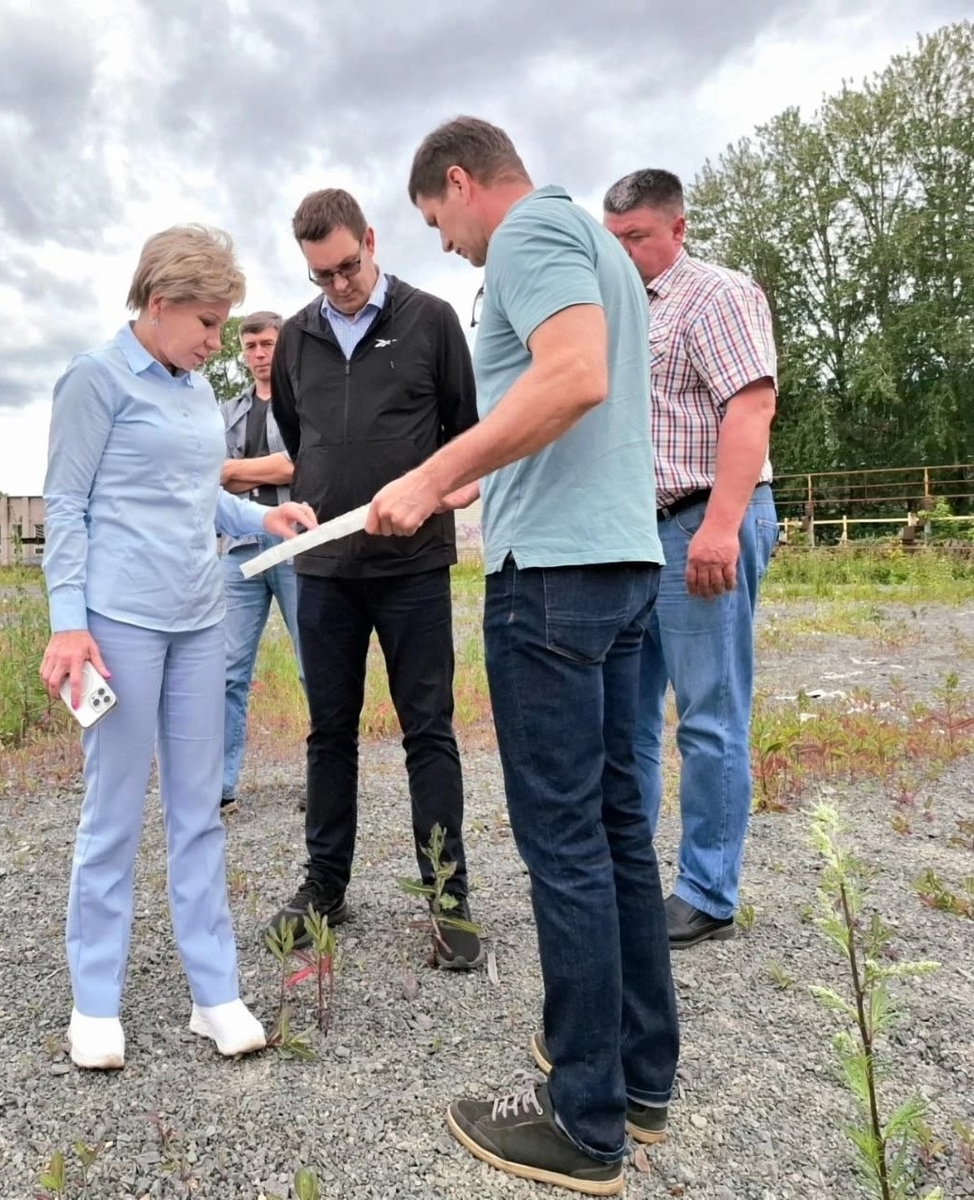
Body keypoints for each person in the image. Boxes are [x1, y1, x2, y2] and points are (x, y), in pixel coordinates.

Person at [370, 116, 678, 1195]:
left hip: (550, 582)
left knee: (566, 846)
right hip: (618, 561)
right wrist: (477, 475)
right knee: (615, 830)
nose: (444, 244)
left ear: (460, 182)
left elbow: (574, 377)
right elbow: (565, 408)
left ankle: (582, 1122)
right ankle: (637, 1080)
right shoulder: (597, 245)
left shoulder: (527, 237)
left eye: (435, 220)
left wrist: (425, 476)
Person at [39, 225, 317, 1070]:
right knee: (114, 812)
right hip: (119, 624)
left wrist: (262, 516)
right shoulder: (94, 379)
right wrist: (68, 620)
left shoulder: (196, 390)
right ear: (158, 304)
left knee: (198, 812)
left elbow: (197, 497)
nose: (215, 341)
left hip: (200, 619)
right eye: (206, 322)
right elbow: (65, 505)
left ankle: (214, 993)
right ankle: (94, 1001)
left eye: (223, 324)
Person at [266, 187, 484, 969]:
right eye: (321, 275)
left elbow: (466, 436)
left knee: (428, 729)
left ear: (369, 240)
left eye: (347, 267)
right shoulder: (295, 339)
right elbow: (302, 442)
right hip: (325, 570)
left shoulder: (431, 321)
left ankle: (448, 897)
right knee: (329, 731)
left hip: (412, 567)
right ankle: (324, 885)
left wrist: (446, 492)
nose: (339, 285)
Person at [603, 169, 779, 950]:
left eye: (637, 236)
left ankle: (707, 890)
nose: (624, 251)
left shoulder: (716, 295)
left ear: (676, 228)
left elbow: (751, 403)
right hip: (636, 535)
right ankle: (628, 874)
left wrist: (720, 526)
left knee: (707, 715)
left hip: (702, 519)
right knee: (628, 715)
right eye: (614, 239)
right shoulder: (620, 310)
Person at [218, 310, 303, 816]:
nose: (259, 354)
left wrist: (235, 469)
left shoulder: (303, 399)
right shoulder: (228, 410)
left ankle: (327, 780)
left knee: (313, 666)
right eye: (250, 346)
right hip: (239, 548)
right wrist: (259, 470)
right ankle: (220, 785)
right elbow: (211, 476)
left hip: (295, 546)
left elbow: (298, 463)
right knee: (227, 671)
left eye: (267, 343)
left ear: (283, 344)